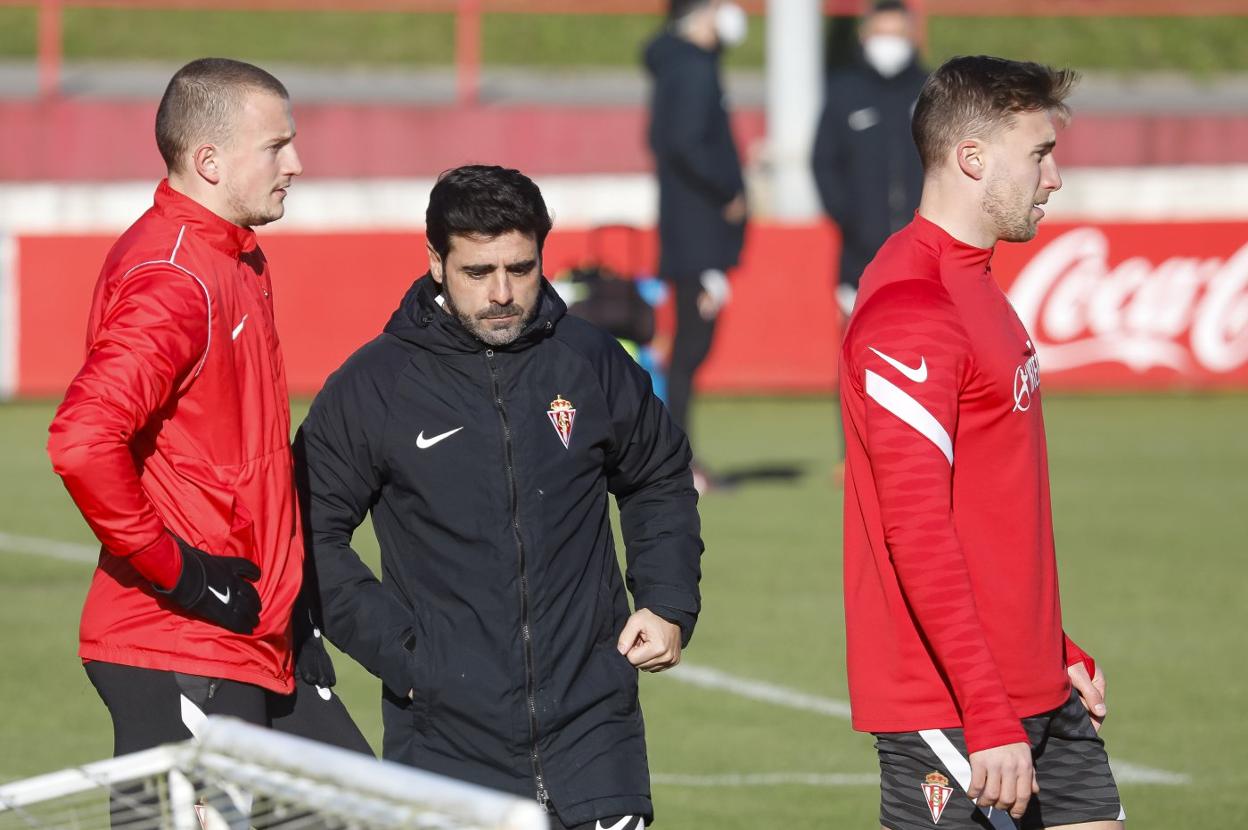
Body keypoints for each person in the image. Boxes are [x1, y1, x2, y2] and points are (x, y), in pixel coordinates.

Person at [294, 165, 703, 830]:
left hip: (596, 736)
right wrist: (409, 656)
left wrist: (666, 600)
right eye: (478, 273)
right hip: (445, 744)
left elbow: (658, 474)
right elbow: (306, 529)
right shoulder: (375, 386)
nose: (504, 293)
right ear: (436, 262)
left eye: (521, 267)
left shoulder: (590, 362)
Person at [46, 58, 368, 761]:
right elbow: (81, 440)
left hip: (254, 632)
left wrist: (293, 612)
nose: (298, 163)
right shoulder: (176, 277)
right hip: (179, 638)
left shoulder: (235, 258)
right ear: (210, 161)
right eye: (276, 146)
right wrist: (181, 574)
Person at [839, 56, 1125, 830]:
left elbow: (990, 509)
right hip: (955, 702)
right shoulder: (910, 306)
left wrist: (1050, 645)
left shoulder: (977, 282)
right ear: (972, 159)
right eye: (1039, 153)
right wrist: (988, 715)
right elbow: (918, 529)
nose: (1053, 177)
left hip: (1033, 682)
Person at [644, 0, 749, 491]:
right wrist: (727, 189)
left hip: (692, 235)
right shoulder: (691, 68)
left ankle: (678, 456)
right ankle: (675, 460)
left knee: (689, 349)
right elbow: (686, 143)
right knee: (689, 350)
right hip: (698, 237)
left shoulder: (679, 67)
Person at [813, 0, 926, 318]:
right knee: (860, 352)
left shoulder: (930, 91)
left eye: (897, 32)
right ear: (865, 34)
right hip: (859, 254)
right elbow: (823, 161)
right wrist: (849, 217)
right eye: (881, 32)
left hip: (922, 252)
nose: (889, 41)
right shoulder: (844, 91)